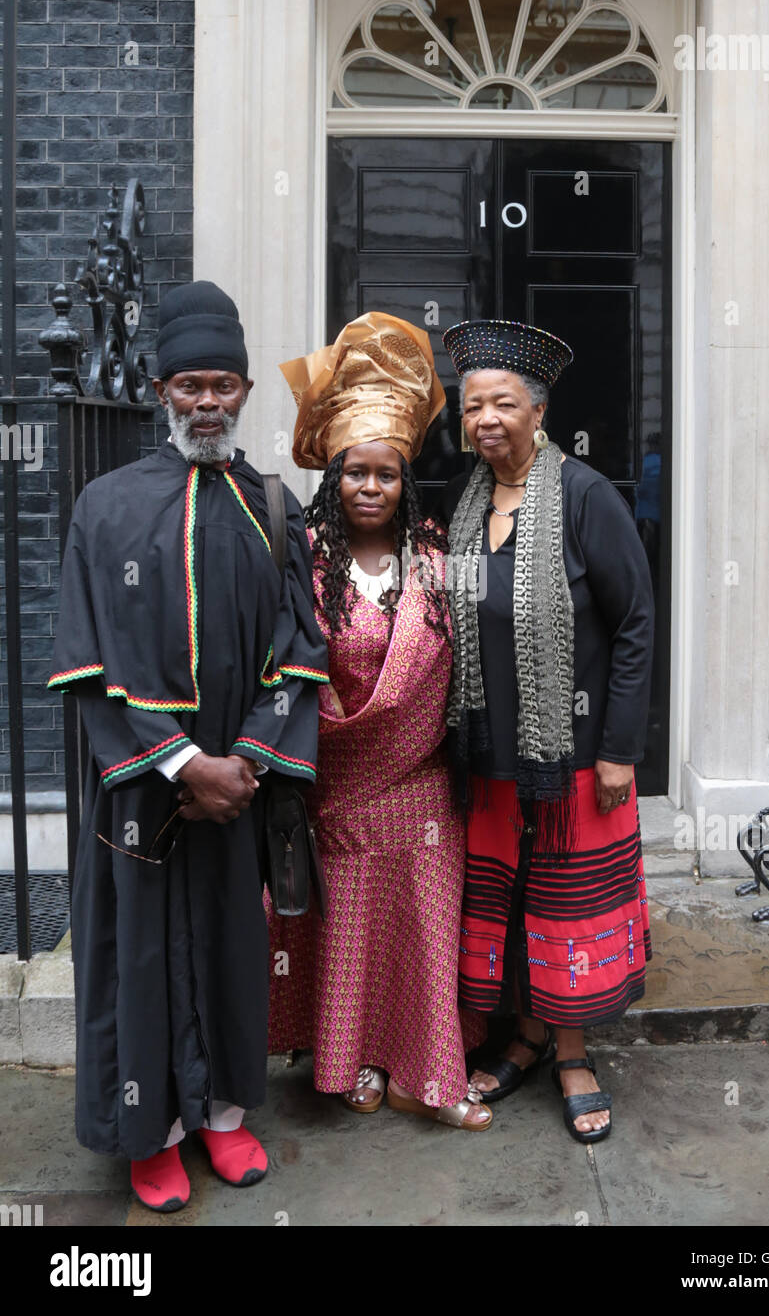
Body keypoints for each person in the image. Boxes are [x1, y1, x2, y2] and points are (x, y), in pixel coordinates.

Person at [46, 281, 329, 1210]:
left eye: (224, 385)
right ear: (162, 391)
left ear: (246, 391)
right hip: (141, 794)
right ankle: (151, 1131)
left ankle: (220, 1118)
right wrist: (180, 764)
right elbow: (86, 662)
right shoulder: (105, 506)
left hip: (237, 785)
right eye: (189, 386)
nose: (207, 402)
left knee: (229, 949)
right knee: (141, 958)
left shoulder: (272, 509)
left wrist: (243, 760)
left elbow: (299, 648)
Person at [267, 311, 490, 1131]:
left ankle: (429, 1074)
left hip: (424, 786)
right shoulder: (304, 564)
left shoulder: (435, 560)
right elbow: (288, 673)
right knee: (351, 933)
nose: (370, 487)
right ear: (335, 478)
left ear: (406, 482)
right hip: (338, 789)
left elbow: (463, 673)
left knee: (423, 933)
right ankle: (354, 1058)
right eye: (356, 473)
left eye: (386, 475)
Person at [438, 317, 655, 1144]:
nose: (485, 419)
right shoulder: (463, 506)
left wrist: (619, 751)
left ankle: (573, 1053)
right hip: (489, 752)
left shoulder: (586, 498)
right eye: (471, 407)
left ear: (538, 413)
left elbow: (634, 626)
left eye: (501, 404)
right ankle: (523, 1037)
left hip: (573, 755)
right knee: (509, 897)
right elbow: (454, 628)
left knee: (568, 905)